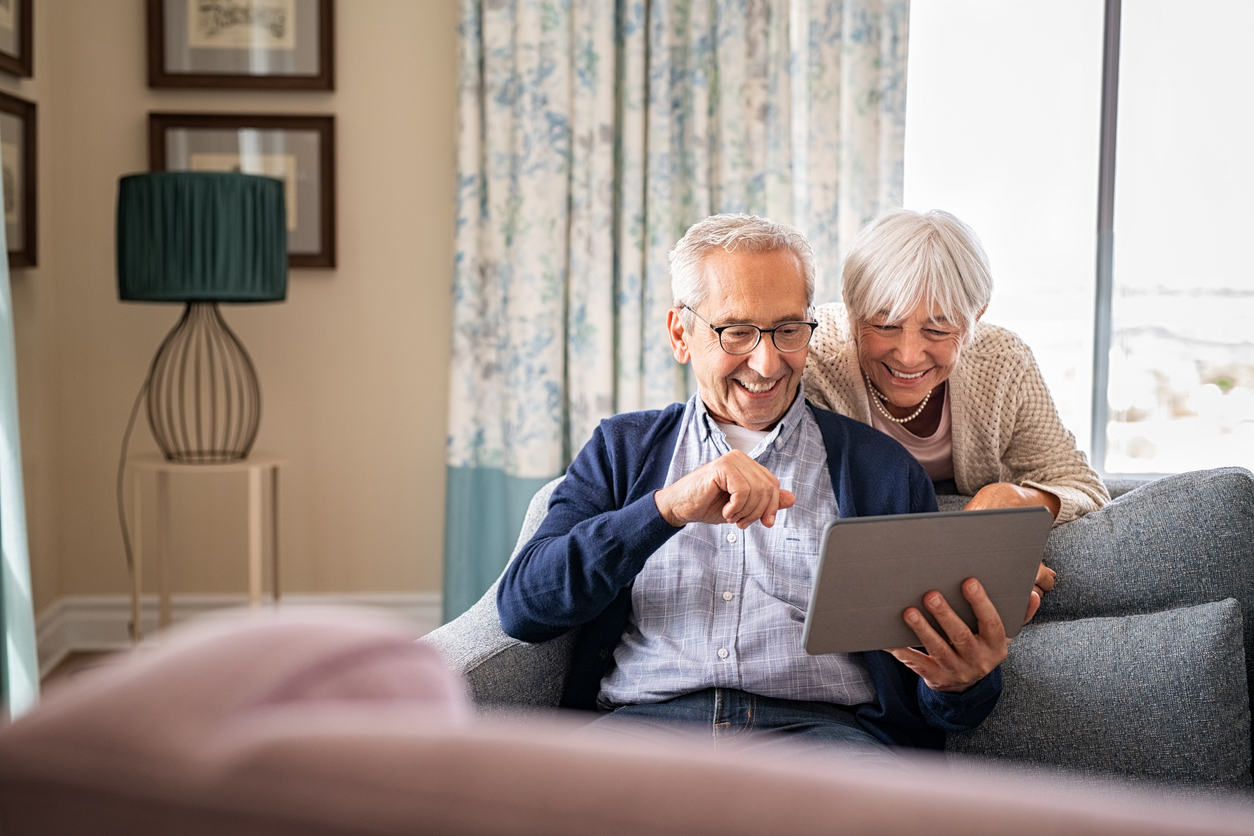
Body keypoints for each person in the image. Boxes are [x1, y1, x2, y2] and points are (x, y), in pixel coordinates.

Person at [497, 213, 1007, 761]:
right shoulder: (623, 448)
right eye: (736, 331)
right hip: (641, 735)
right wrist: (666, 510)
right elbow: (524, 607)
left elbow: (939, 696)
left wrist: (961, 683)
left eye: (787, 330)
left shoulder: (881, 470)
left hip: (825, 743)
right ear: (680, 334)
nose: (766, 363)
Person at [804, 209, 1110, 610]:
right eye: (885, 325)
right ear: (851, 308)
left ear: (975, 319)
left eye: (937, 330)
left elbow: (1085, 488)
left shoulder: (1002, 361)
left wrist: (1014, 499)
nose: (909, 356)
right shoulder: (815, 358)